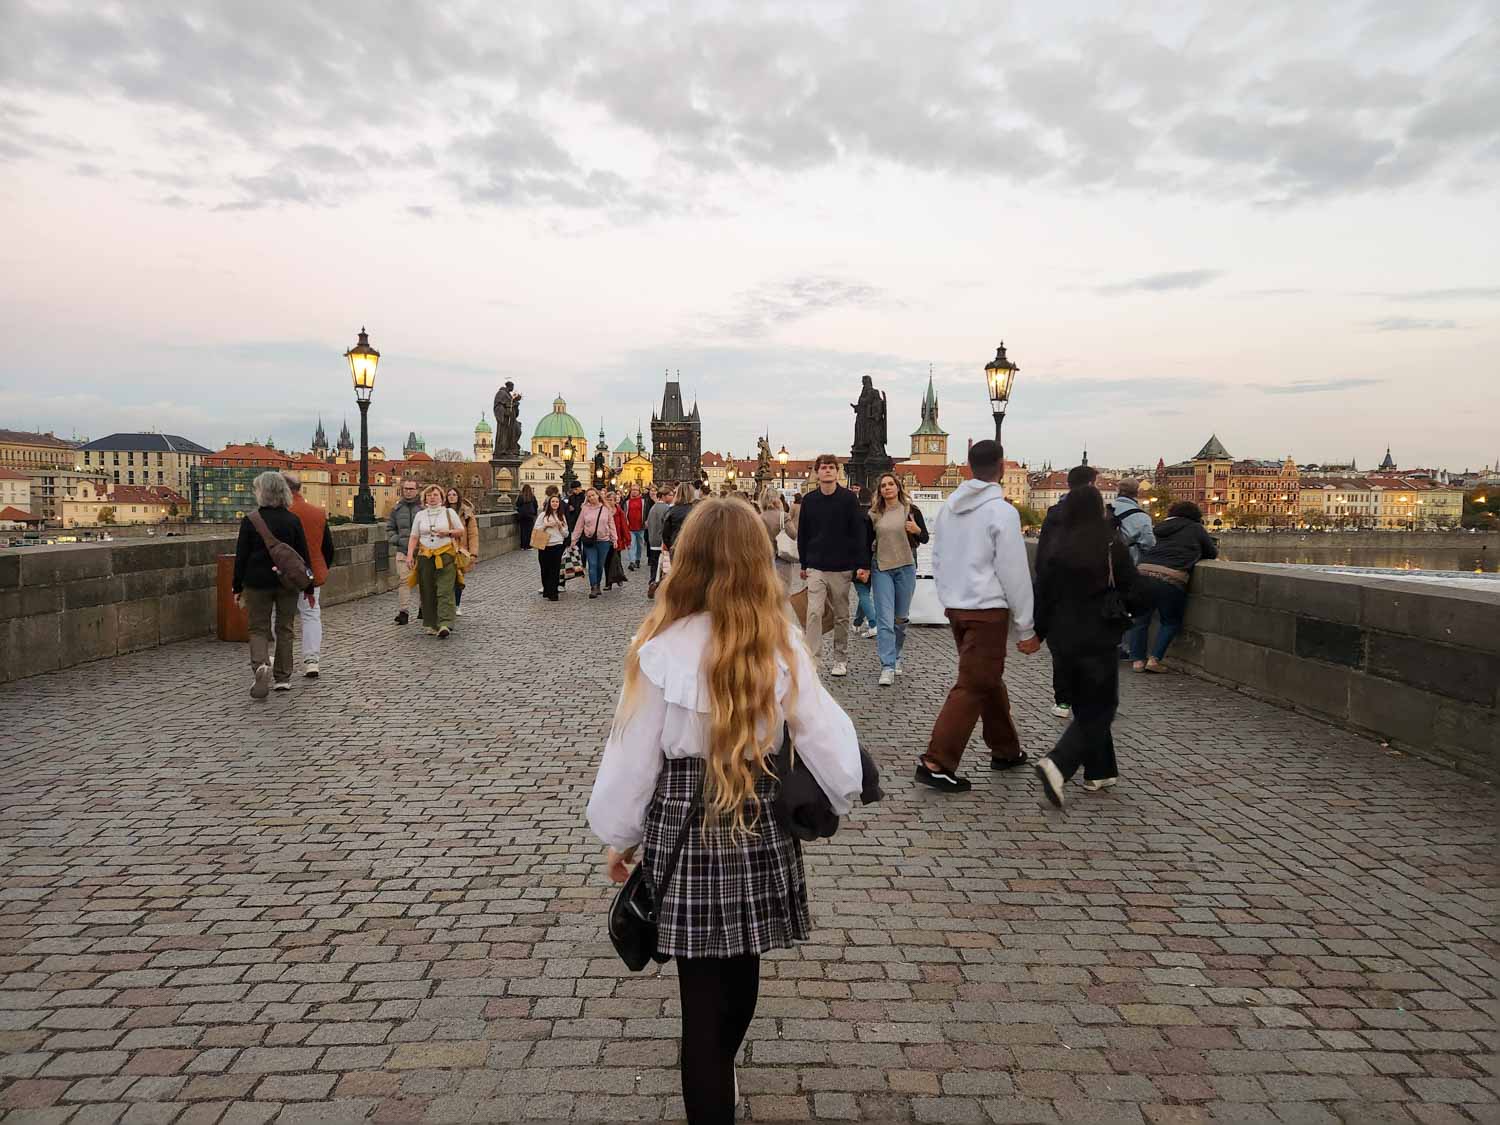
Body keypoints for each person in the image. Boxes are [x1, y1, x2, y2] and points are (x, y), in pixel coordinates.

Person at [587, 498, 865, 1125]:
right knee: (743, 971)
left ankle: (715, 1084)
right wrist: (846, 787)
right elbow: (821, 729)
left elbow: (632, 750)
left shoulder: (659, 643)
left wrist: (621, 835)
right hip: (758, 810)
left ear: (687, 559)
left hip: (685, 817)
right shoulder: (779, 638)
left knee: (700, 1006)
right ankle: (724, 1075)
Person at [920, 440, 1037, 793]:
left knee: (986, 677)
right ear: (1001, 467)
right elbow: (1014, 572)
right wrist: (1026, 626)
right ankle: (937, 761)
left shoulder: (949, 509)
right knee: (973, 684)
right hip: (987, 609)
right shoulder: (1001, 512)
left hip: (957, 606)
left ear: (969, 467)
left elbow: (937, 557)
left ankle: (1006, 749)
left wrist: (947, 596)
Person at [1032, 486, 1140, 806]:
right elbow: (1133, 589)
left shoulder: (1054, 547)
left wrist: (1037, 632)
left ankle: (1099, 771)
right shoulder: (1110, 545)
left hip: (1062, 638)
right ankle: (1059, 763)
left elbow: (1043, 594)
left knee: (1085, 702)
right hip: (1097, 635)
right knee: (1101, 706)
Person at [232, 471, 311, 699]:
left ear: (262, 492)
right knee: (285, 629)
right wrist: (307, 585)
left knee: (258, 628)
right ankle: (283, 678)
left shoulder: (251, 520)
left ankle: (261, 666)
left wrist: (237, 587)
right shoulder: (292, 520)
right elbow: (302, 556)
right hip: (286, 582)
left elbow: (241, 556)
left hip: (256, 582)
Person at [796, 455, 871, 678]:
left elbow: (858, 533)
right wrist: (804, 562)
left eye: (831, 467)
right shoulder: (809, 500)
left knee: (841, 615)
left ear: (837, 472)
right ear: (817, 473)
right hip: (816, 565)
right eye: (823, 468)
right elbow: (803, 534)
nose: (827, 471)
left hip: (841, 566)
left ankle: (840, 658)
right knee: (813, 613)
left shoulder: (848, 499)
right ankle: (812, 659)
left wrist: (862, 564)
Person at [1036, 464, 1099, 720]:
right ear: (1092, 484)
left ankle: (1063, 700)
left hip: (1059, 591)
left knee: (1061, 649)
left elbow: (1043, 558)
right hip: (1092, 593)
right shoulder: (1103, 517)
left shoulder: (1054, 514)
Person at [1127, 501, 1218, 673]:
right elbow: (1211, 553)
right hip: (1169, 576)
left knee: (1140, 620)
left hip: (1143, 572)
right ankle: (1154, 660)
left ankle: (1138, 661)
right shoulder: (1195, 528)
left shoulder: (1161, 527)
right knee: (1170, 621)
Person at [866, 472, 928, 686]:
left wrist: (916, 529)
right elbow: (867, 543)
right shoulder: (874, 514)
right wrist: (864, 568)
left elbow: (925, 538)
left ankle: (897, 655)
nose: (887, 488)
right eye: (883, 485)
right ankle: (887, 665)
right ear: (880, 491)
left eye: (891, 484)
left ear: (898, 487)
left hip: (905, 567)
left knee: (900, 619)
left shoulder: (911, 511)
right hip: (881, 567)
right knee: (885, 620)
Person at [283, 471, 335, 678]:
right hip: (310, 573)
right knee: (311, 614)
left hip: (282, 574)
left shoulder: (275, 513)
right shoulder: (316, 512)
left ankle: (281, 660)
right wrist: (321, 567)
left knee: (280, 616)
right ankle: (312, 659)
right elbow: (328, 547)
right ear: (300, 489)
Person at [404, 484, 465, 638]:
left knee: (445, 590)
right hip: (425, 556)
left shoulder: (449, 513)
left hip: (445, 556)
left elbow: (460, 531)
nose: (432, 497)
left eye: (436, 495)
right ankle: (432, 623)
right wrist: (410, 555)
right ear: (425, 498)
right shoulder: (420, 515)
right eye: (429, 495)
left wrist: (448, 532)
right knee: (427, 590)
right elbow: (414, 537)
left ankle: (445, 623)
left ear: (441, 497)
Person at [385, 478, 421, 625]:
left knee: (423, 583)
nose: (408, 491)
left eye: (411, 489)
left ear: (417, 490)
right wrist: (397, 540)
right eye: (406, 488)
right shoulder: (396, 509)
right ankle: (403, 611)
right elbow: (389, 529)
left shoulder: (423, 509)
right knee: (404, 581)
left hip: (421, 551)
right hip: (403, 550)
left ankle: (423, 609)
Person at [571, 487, 613, 598]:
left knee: (600, 565)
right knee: (592, 564)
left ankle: (598, 584)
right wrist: (574, 540)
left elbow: (611, 524)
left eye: (593, 495)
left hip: (604, 541)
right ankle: (593, 586)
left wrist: (615, 539)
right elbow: (579, 525)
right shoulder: (585, 509)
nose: (591, 498)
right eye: (589, 496)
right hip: (589, 541)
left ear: (598, 495)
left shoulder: (605, 508)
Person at [447, 487, 480, 616]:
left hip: (461, 551)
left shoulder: (467, 513)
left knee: (459, 579)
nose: (451, 496)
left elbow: (473, 534)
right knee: (446, 579)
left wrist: (473, 553)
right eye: (449, 494)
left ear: (458, 496)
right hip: (446, 549)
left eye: (454, 494)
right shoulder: (442, 512)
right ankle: (448, 604)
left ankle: (456, 604)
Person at [534, 493, 569, 600]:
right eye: (553, 502)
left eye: (557, 502)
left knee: (555, 569)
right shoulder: (543, 515)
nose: (555, 503)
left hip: (557, 544)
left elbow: (566, 534)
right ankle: (546, 589)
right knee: (545, 569)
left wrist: (560, 527)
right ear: (549, 503)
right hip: (544, 545)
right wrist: (546, 525)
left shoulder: (561, 516)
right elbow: (536, 530)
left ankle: (553, 592)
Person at [660, 480, 699, 577]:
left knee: (676, 574)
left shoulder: (671, 511)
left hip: (675, 546)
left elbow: (665, 534)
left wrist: (670, 546)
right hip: (693, 547)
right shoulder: (697, 511)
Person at [645, 483, 675, 598]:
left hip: (653, 541)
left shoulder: (653, 508)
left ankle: (652, 582)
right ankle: (659, 586)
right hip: (661, 542)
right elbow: (666, 528)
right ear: (663, 496)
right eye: (671, 495)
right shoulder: (666, 509)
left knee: (654, 565)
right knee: (663, 566)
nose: (672, 497)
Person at [604, 489, 631, 590]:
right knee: (607, 561)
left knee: (616, 560)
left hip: (618, 539)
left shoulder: (620, 512)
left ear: (615, 501)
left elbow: (624, 527)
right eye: (608, 499)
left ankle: (619, 576)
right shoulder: (603, 511)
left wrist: (627, 540)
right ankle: (608, 583)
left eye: (612, 500)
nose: (610, 501)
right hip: (606, 539)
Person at [625, 484, 651, 571]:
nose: (634, 491)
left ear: (639, 491)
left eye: (636, 490)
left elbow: (647, 511)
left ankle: (637, 560)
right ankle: (632, 562)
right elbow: (625, 512)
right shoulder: (627, 501)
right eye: (632, 490)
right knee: (631, 544)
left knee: (640, 545)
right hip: (630, 527)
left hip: (641, 526)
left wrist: (647, 520)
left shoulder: (644, 501)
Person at [515, 484, 538, 552]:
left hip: (522, 516)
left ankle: (523, 546)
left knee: (523, 531)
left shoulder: (521, 496)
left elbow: (517, 505)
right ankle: (528, 546)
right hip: (530, 516)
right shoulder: (532, 497)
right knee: (529, 531)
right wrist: (535, 514)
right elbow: (536, 505)